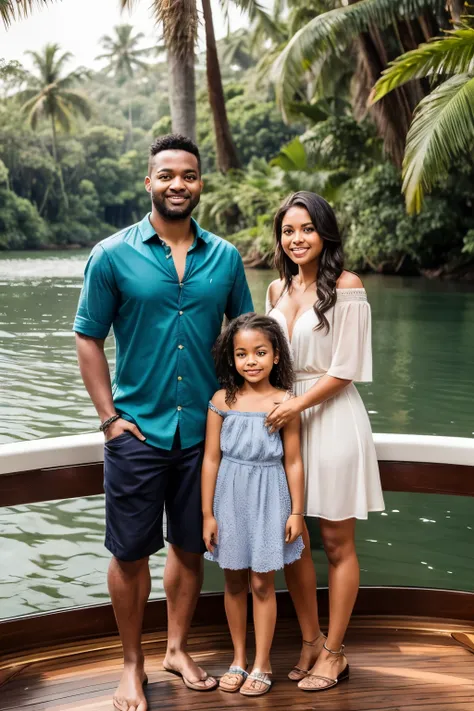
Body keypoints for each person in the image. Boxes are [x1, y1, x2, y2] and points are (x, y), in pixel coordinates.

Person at [73, 134, 253, 711]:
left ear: (201, 184)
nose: (180, 184)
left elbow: (248, 339)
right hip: (138, 430)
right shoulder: (111, 255)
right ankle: (132, 664)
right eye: (168, 175)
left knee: (189, 547)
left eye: (190, 175)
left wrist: (241, 412)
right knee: (129, 553)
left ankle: (176, 648)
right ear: (148, 182)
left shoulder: (224, 258)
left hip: (206, 435)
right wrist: (108, 420)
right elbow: (87, 337)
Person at [265, 191, 384, 692]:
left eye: (307, 229)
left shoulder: (348, 287)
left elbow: (348, 369)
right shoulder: (274, 289)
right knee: (293, 541)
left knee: (336, 542)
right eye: (289, 231)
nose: (297, 239)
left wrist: (295, 403)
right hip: (283, 424)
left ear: (325, 233)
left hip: (331, 417)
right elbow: (262, 356)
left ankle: (335, 652)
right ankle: (310, 639)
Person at [201, 313, 305, 697]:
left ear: (276, 356)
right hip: (229, 493)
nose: (251, 361)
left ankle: (263, 663)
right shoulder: (220, 401)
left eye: (260, 352)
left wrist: (296, 510)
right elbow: (210, 459)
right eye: (242, 354)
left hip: (269, 493)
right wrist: (207, 514)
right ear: (232, 358)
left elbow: (293, 460)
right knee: (233, 579)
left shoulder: (285, 402)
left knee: (262, 580)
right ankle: (238, 658)